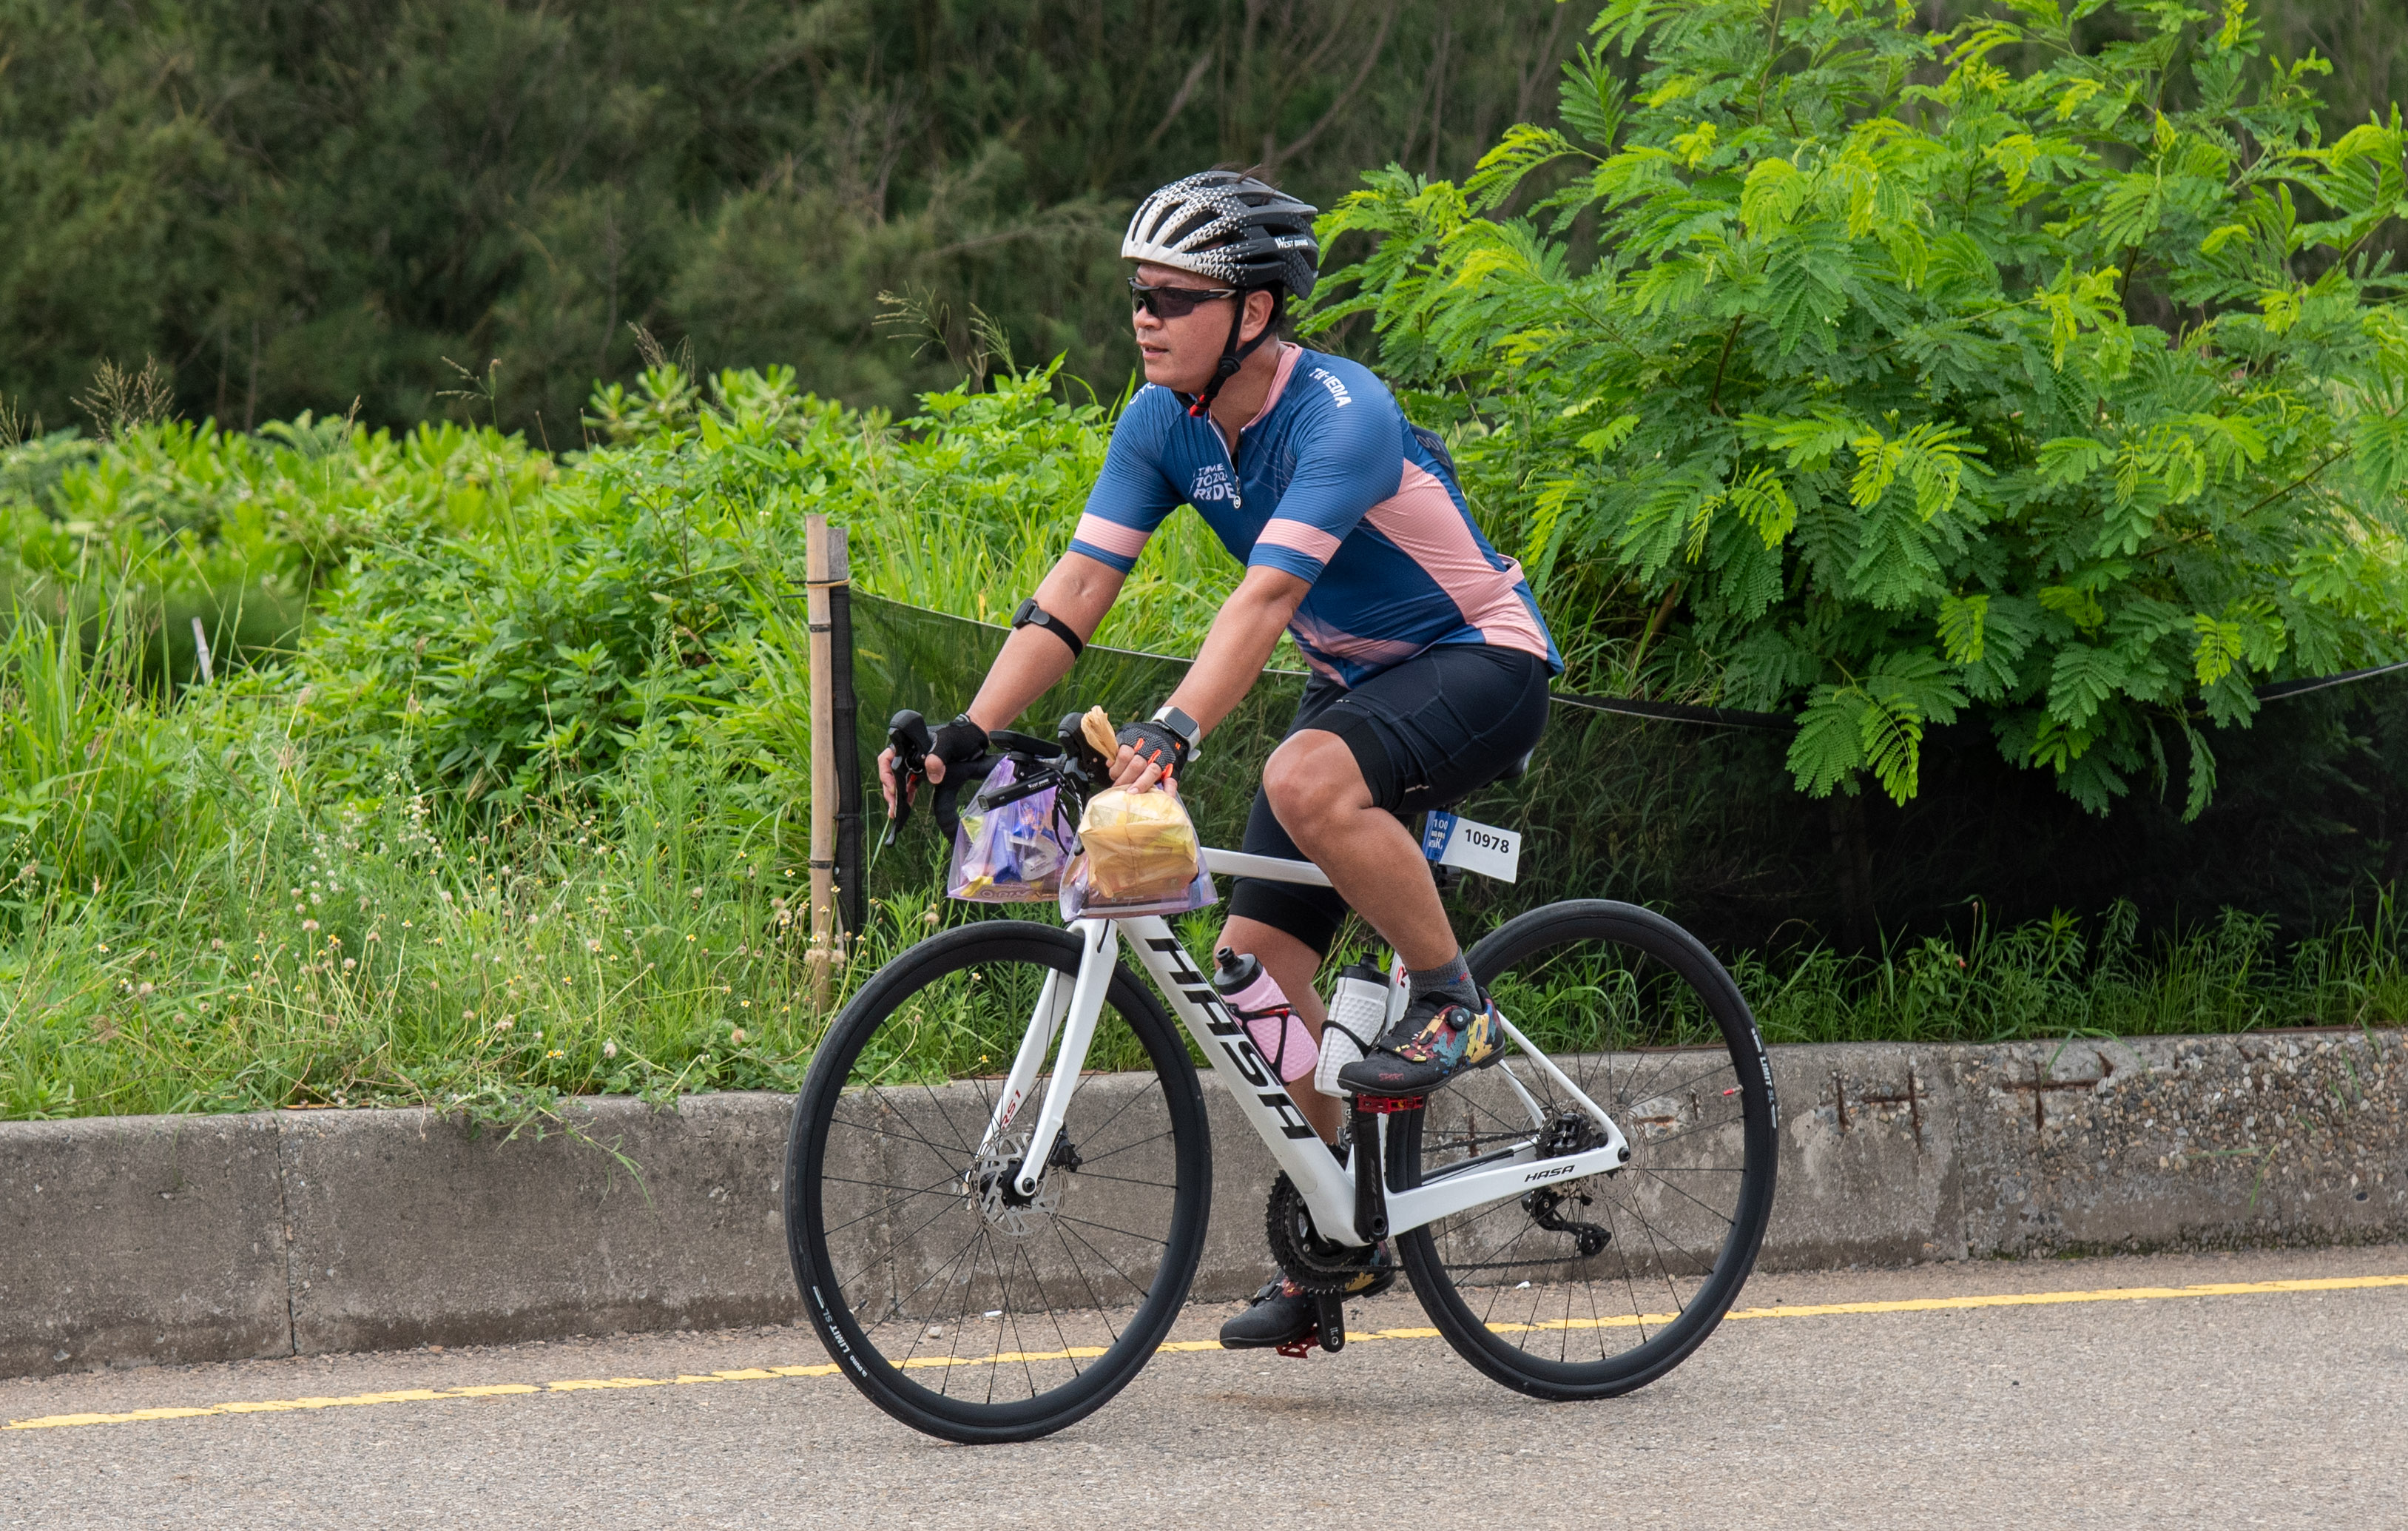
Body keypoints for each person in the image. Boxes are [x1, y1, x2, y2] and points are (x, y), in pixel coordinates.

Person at [877, 169, 1560, 1350]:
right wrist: (968, 731)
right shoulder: (1161, 422)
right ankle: (1343, 1232)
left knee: (1301, 775)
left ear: (1253, 310)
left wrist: (1175, 727)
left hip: (1479, 658)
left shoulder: (1343, 413)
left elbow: (1266, 599)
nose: (1144, 317)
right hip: (1356, 680)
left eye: (1173, 297)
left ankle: (1456, 1001)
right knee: (1251, 976)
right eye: (1138, 295)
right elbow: (1077, 588)